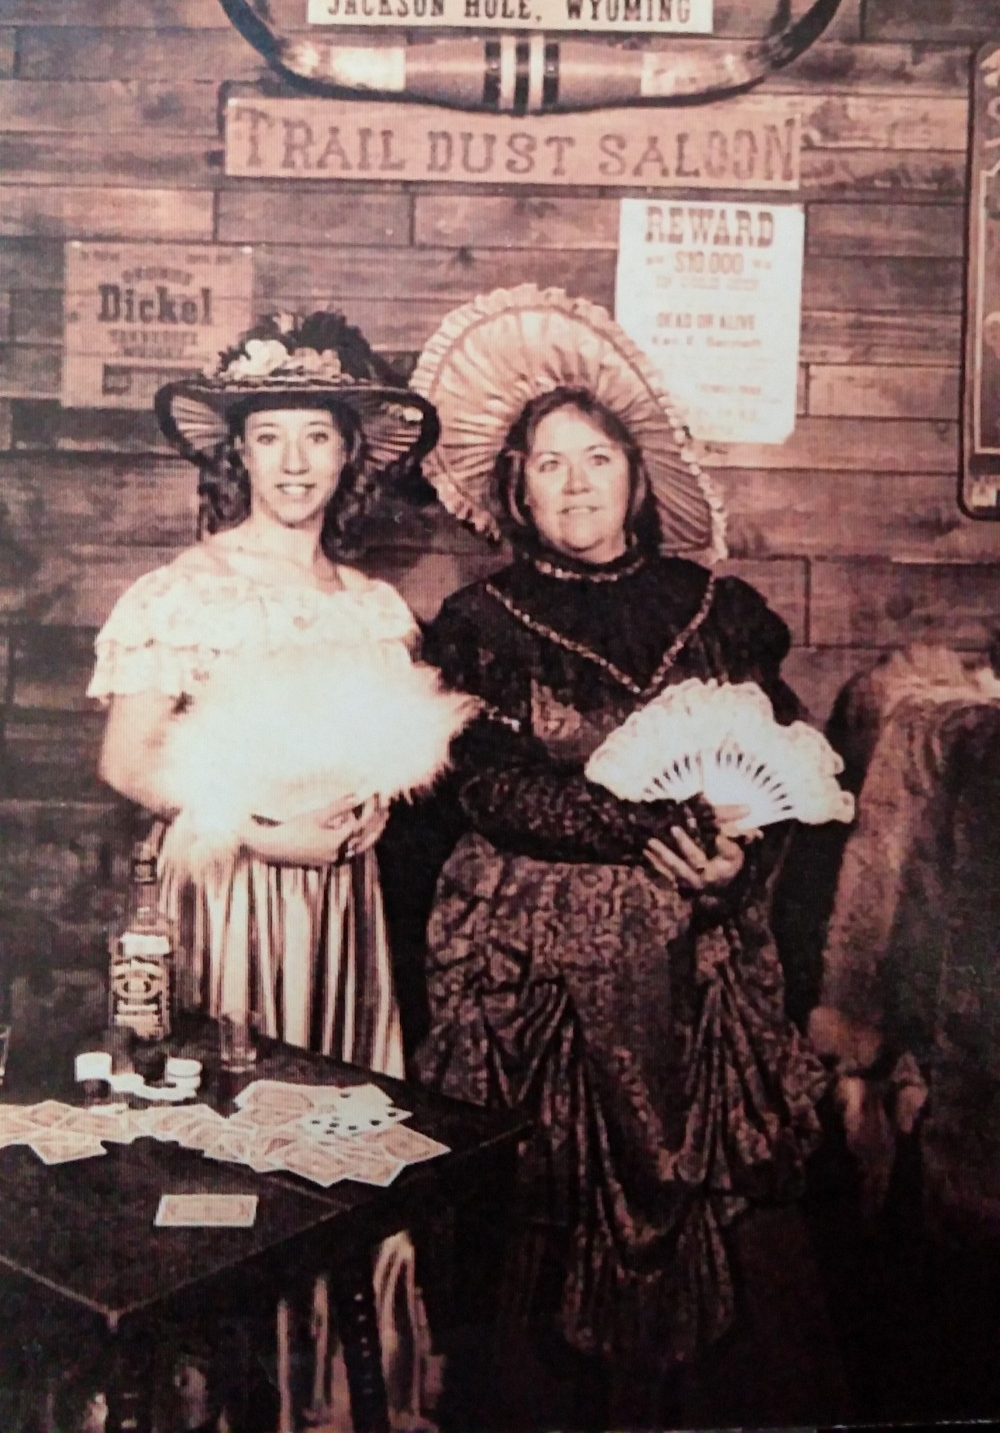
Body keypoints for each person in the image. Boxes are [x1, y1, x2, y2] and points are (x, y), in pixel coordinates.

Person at [404, 285, 845, 1428]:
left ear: (635, 475)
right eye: (547, 463)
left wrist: (730, 868)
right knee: (528, 1202)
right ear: (517, 485)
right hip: (531, 942)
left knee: (700, 1209)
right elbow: (484, 784)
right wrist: (634, 826)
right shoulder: (482, 620)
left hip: (691, 943)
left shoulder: (716, 608)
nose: (574, 483)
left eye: (594, 458)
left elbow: (778, 769)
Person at [88, 310, 453, 1433]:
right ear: (235, 453)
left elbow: (388, 749)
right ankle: (225, 1405)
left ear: (350, 454)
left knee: (337, 1142)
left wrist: (363, 818)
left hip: (339, 910)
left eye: (318, 437)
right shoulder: (180, 593)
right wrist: (262, 829)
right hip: (228, 889)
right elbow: (129, 758)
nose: (294, 462)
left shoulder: (375, 608)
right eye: (270, 437)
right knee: (226, 1137)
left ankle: (335, 1393)